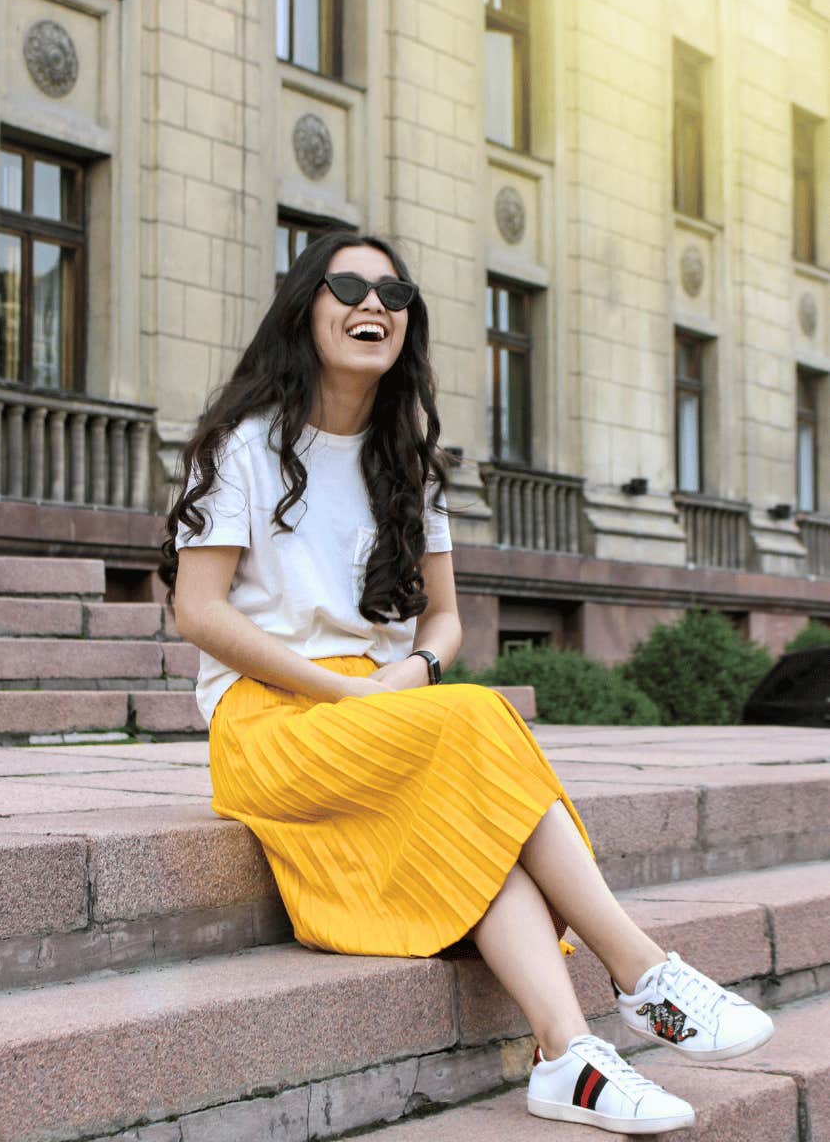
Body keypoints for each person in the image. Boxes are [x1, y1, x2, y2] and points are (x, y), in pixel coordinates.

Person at [163, 231, 773, 1135]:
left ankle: (568, 1055)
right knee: (479, 726)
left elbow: (443, 620)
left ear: (408, 325)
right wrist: (349, 697)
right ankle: (641, 971)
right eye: (349, 287)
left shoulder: (406, 461)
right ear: (305, 307)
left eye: (395, 294)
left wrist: (408, 674)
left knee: (470, 808)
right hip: (269, 722)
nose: (375, 305)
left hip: (384, 706)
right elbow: (201, 613)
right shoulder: (243, 446)